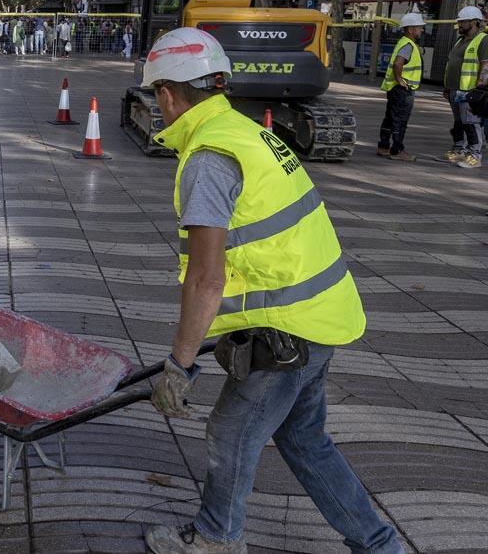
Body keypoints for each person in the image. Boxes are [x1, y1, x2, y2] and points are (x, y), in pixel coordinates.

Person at [140, 28, 403, 554]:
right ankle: (379, 545)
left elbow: (207, 278)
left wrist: (180, 363)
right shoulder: (247, 133)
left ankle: (216, 538)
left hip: (289, 331)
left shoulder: (210, 157)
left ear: (168, 94)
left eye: (157, 97)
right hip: (321, 313)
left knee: (229, 434)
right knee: (304, 439)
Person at [442, 6, 488, 168]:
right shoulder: (460, 40)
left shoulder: (483, 39)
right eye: (459, 22)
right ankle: (458, 150)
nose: (459, 25)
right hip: (455, 90)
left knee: (471, 123)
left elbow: (485, 65)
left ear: (475, 22)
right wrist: (447, 87)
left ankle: (474, 155)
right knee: (459, 123)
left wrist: (480, 89)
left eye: (463, 22)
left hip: (470, 92)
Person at [376, 12, 426, 161]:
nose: (422, 30)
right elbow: (398, 63)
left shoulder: (403, 42)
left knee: (390, 119)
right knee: (400, 120)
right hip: (403, 89)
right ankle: (397, 150)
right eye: (419, 27)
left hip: (395, 89)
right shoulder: (408, 45)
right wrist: (400, 80)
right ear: (411, 29)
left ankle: (383, 147)